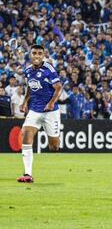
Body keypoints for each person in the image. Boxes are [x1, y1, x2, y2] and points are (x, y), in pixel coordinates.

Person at [17, 44, 63, 183]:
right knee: (26, 134)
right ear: (30, 55)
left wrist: (51, 103)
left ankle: (56, 139)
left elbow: (59, 88)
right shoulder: (28, 71)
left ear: (43, 55)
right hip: (35, 110)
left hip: (50, 112)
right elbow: (30, 87)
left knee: (53, 147)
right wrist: (25, 102)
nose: (36, 56)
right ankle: (28, 174)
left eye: (39, 53)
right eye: (34, 53)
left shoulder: (49, 69)